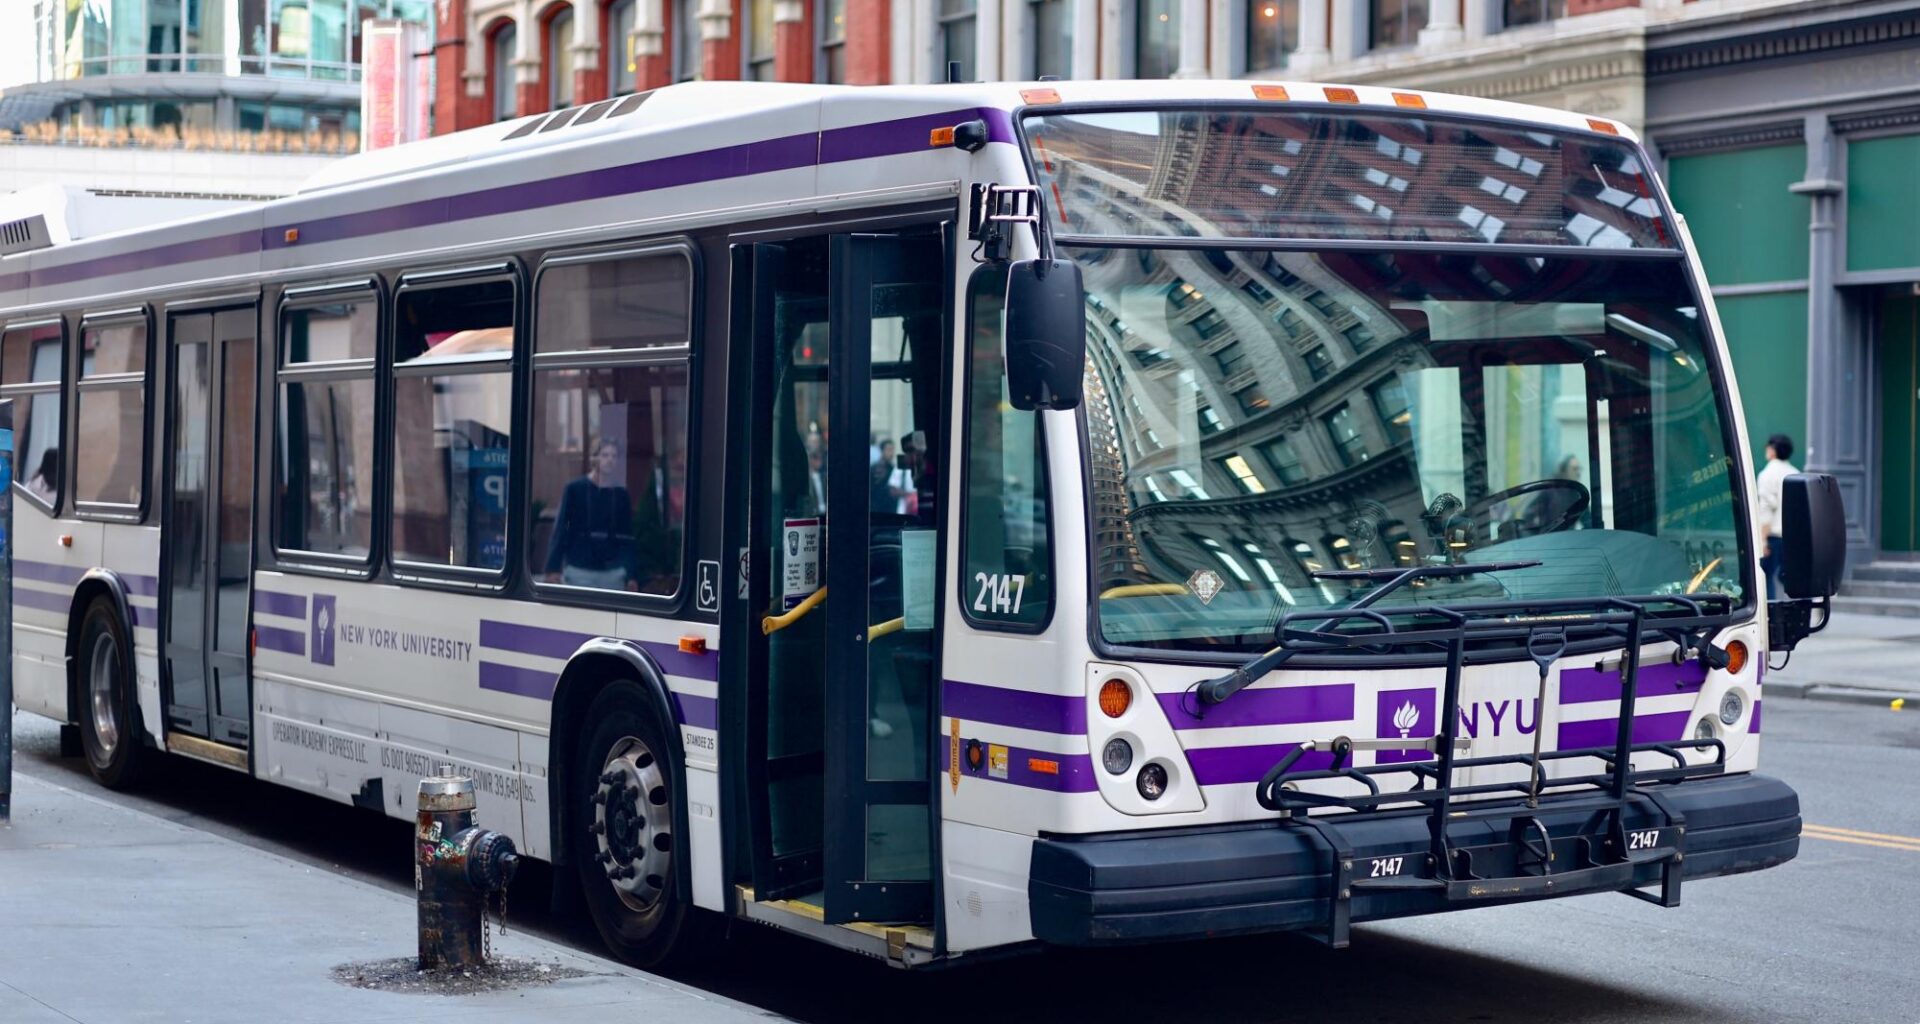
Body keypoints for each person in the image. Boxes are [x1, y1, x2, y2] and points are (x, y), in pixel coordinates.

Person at [543, 437, 638, 590]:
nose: (610, 460)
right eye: (605, 455)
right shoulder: (575, 489)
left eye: (614, 456)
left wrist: (631, 574)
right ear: (595, 458)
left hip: (612, 572)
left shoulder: (621, 494)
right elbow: (562, 528)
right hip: (579, 570)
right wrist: (552, 567)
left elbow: (627, 537)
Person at [1755, 433, 1798, 599]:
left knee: (1765, 579)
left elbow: (1766, 509)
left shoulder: (1767, 475)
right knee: (1791, 578)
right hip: (1791, 537)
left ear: (1772, 450)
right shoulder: (1795, 473)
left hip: (1773, 537)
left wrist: (1762, 540)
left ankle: (1770, 618)